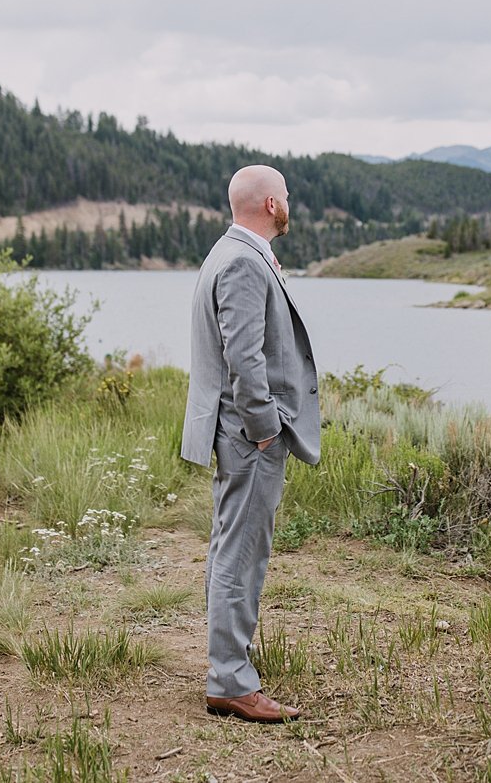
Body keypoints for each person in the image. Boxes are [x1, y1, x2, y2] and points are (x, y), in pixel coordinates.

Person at [181, 164, 321, 723]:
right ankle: (231, 682)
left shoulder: (234, 251)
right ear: (270, 205)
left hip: (238, 431)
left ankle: (229, 667)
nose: (290, 203)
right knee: (242, 552)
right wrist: (264, 428)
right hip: (249, 434)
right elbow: (244, 357)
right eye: (285, 195)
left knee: (230, 546)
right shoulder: (242, 260)